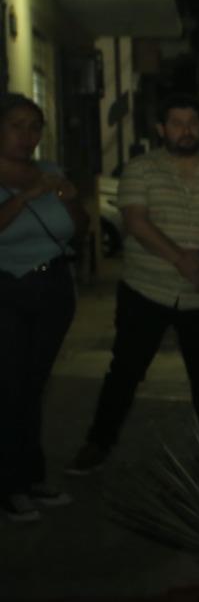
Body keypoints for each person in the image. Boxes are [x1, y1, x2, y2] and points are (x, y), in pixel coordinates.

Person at [66, 92, 199, 473]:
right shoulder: (140, 170)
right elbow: (136, 222)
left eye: (193, 123)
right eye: (177, 123)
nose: (186, 130)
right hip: (146, 290)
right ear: (162, 129)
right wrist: (184, 260)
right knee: (125, 371)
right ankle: (98, 443)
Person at [0, 93, 86, 522]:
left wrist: (70, 199)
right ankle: (10, 486)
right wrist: (25, 197)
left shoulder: (51, 170)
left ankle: (31, 477)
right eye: (17, 125)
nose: (27, 135)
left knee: (33, 386)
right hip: (7, 289)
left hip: (52, 288)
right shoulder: (28, 182)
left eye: (35, 127)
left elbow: (78, 228)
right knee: (10, 387)